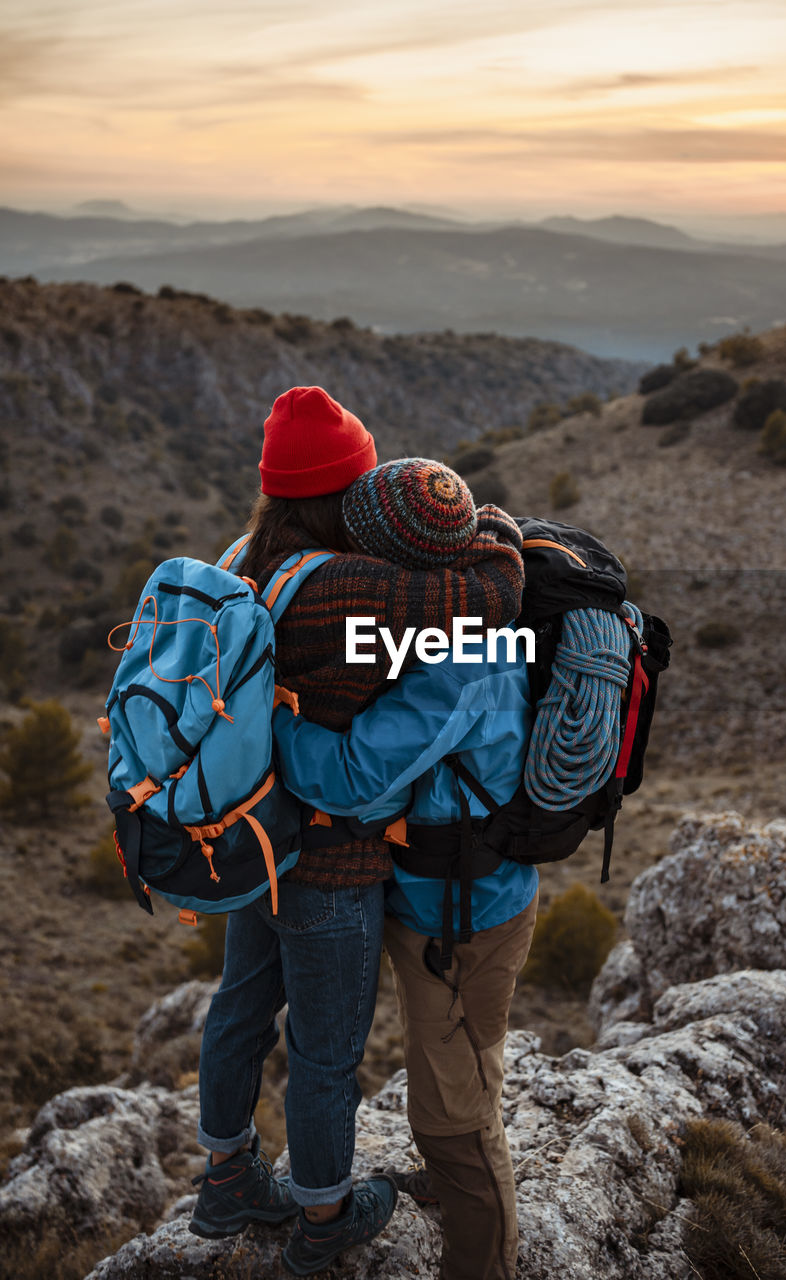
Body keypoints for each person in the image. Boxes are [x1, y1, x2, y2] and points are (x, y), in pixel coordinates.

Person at [189, 387, 525, 1278]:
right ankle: (326, 1215)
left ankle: (225, 1176)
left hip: (250, 839)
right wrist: (477, 517)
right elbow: (493, 587)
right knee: (325, 1052)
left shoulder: (240, 560)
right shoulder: (355, 587)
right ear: (348, 490)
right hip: (332, 864)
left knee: (238, 1011)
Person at [273, 458, 541, 1280]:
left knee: (454, 1109)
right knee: (450, 1077)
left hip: (458, 915)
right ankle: (457, 1187)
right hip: (437, 896)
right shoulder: (446, 619)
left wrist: (266, 724)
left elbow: (347, 776)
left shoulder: (461, 658)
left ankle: (480, 1260)